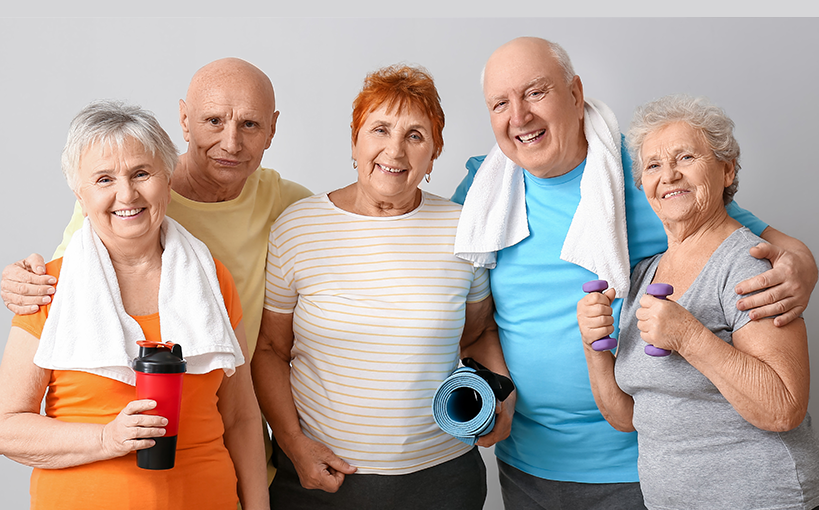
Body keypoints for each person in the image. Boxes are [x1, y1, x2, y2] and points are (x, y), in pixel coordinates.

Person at [451, 37, 818, 509]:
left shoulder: (648, 176)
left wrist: (801, 272)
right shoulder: (483, 191)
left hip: (643, 468)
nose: (518, 116)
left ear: (575, 94)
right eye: (500, 103)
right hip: (528, 465)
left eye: (536, 92)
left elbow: (766, 246)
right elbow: (474, 320)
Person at [0, 57, 312, 483]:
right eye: (214, 121)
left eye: (250, 125)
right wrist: (22, 278)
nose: (231, 142)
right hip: (118, 444)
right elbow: (59, 284)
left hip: (232, 452)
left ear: (272, 128)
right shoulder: (123, 205)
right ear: (184, 120)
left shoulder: (288, 205)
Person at [255, 64, 514, 509]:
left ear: (434, 154)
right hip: (322, 478)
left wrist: (501, 398)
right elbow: (270, 350)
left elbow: (478, 334)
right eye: (380, 129)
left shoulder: (461, 230)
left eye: (415, 135)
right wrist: (295, 446)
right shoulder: (297, 227)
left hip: (442, 480)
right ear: (355, 140)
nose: (394, 150)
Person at [577, 94, 819, 509]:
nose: (668, 175)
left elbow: (783, 408)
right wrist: (593, 346)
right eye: (653, 165)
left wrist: (689, 337)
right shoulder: (643, 275)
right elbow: (626, 418)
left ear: (727, 170)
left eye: (685, 157)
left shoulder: (750, 263)